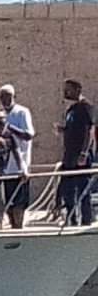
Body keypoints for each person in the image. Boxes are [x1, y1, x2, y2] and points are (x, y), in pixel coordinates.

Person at [56, 79, 96, 226]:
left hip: (81, 155)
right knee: (67, 189)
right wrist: (63, 130)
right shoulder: (71, 110)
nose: (65, 92)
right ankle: (71, 219)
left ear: (77, 90)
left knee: (82, 187)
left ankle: (86, 220)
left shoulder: (85, 108)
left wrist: (84, 152)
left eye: (68, 89)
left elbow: (89, 130)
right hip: (69, 155)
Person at [0, 84, 34, 228]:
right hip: (5, 167)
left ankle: (19, 227)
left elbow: (28, 135)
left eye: (8, 96)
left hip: (20, 166)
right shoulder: (0, 115)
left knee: (20, 201)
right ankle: (13, 226)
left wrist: (10, 128)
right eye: (2, 96)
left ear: (14, 96)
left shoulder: (22, 112)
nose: (5, 99)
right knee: (9, 202)